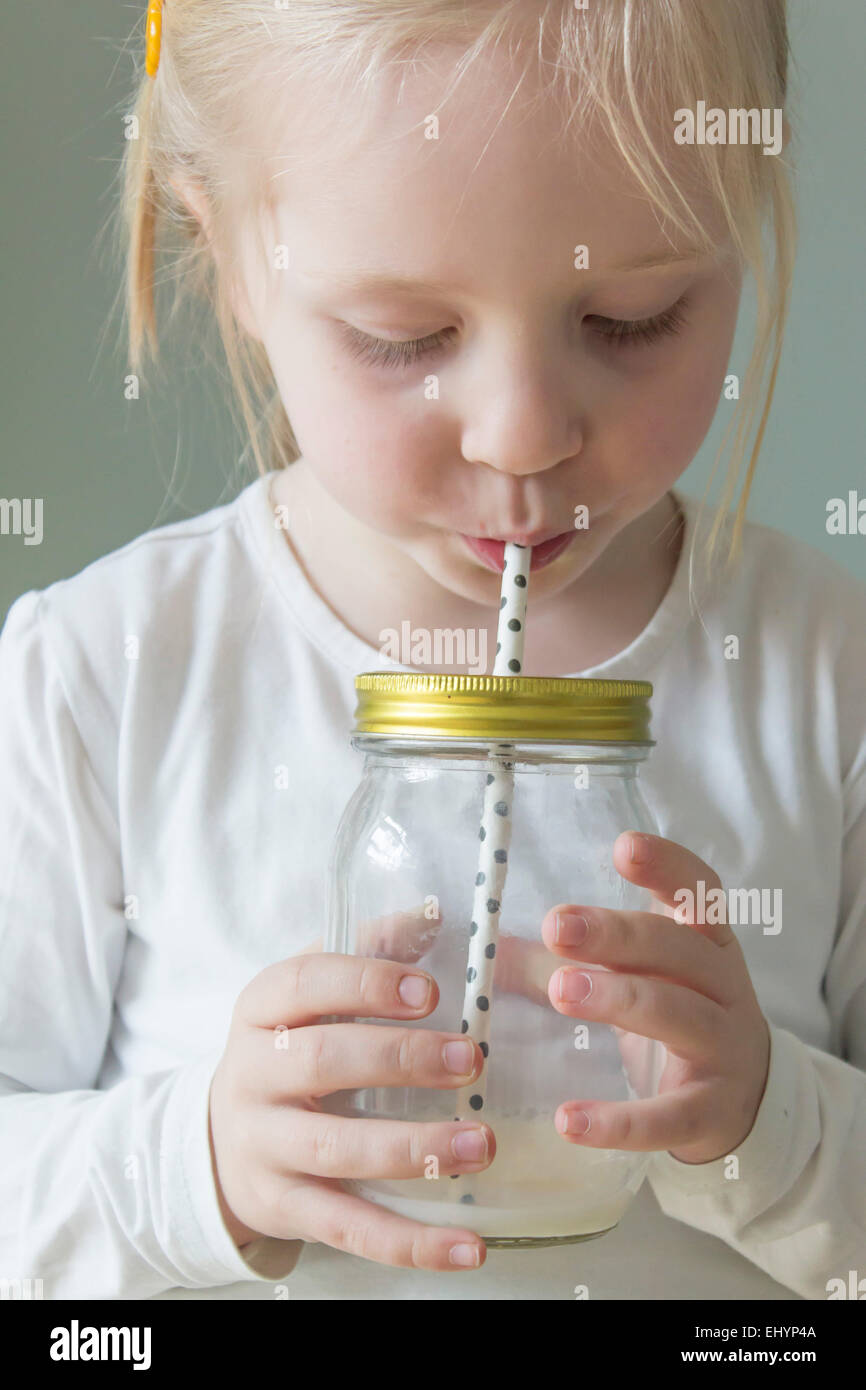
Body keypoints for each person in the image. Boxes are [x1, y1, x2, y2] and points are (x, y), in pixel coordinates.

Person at [1, 0, 863, 1301]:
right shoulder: (103, 675)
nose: (520, 436)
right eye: (402, 337)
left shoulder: (824, 674)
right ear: (224, 252)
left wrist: (772, 1125)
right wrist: (195, 1169)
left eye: (631, 316)